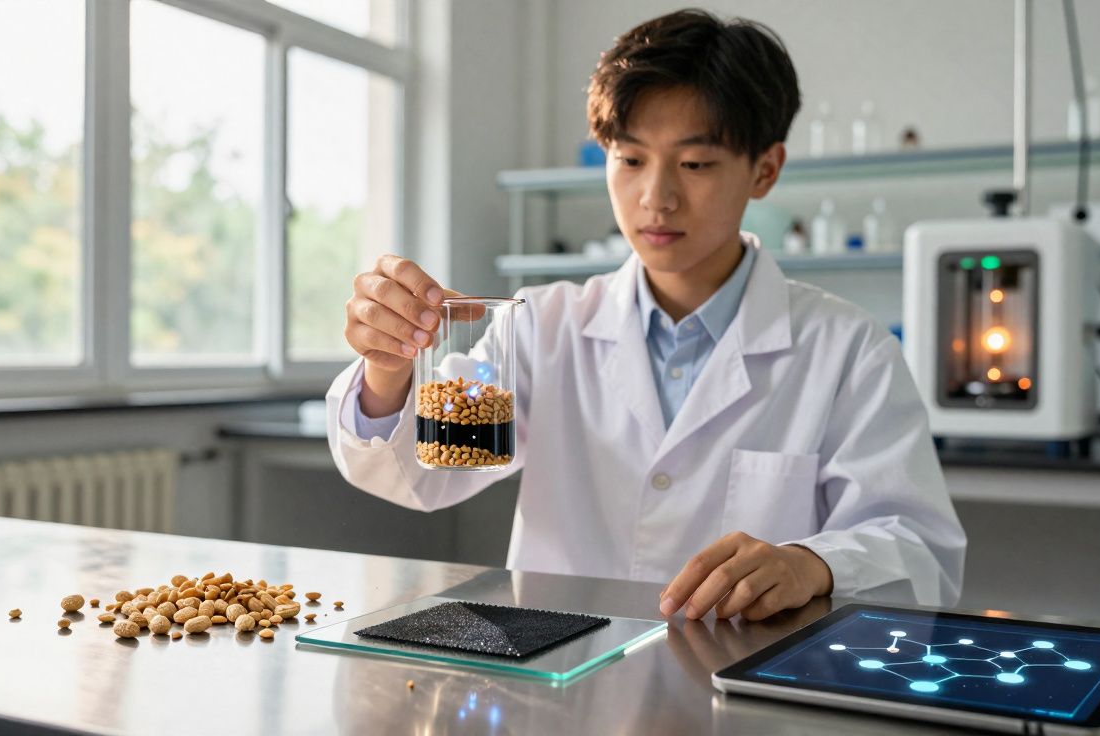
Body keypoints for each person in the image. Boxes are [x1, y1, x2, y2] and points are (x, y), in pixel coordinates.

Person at [326, 9, 965, 622]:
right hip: (561, 668)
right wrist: (389, 368)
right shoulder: (545, 326)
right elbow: (426, 475)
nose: (656, 198)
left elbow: (919, 551)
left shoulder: (847, 350)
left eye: (695, 164)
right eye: (630, 160)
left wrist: (811, 564)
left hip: (740, 672)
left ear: (765, 170)